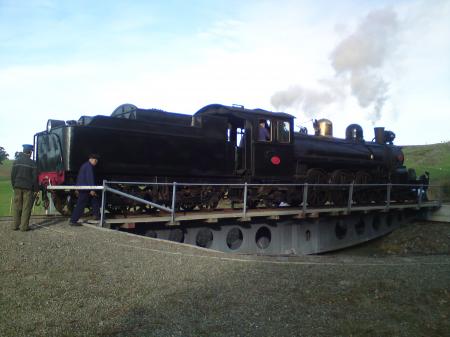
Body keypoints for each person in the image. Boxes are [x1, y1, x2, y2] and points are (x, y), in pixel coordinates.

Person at [11, 144, 38, 231]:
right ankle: (24, 227)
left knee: (17, 206)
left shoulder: (16, 162)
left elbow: (13, 175)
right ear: (30, 152)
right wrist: (36, 189)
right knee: (26, 207)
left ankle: (15, 225)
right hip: (28, 188)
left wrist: (13, 185)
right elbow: (35, 178)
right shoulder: (32, 163)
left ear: (23, 151)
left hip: (17, 186)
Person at [69, 154, 101, 226]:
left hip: (83, 187)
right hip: (85, 189)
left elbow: (79, 177)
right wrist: (92, 189)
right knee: (81, 204)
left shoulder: (84, 165)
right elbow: (90, 178)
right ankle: (73, 220)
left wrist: (77, 188)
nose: (96, 162)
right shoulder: (89, 166)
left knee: (94, 199)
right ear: (92, 159)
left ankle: (97, 215)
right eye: (96, 160)